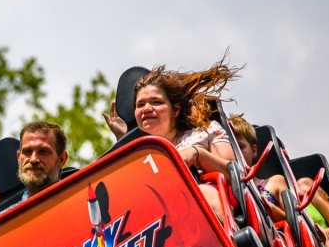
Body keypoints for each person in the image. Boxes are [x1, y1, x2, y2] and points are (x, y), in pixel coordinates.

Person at [103, 57, 241, 223]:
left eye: (156, 102)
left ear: (175, 110)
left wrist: (198, 154)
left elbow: (234, 176)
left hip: (205, 206)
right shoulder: (139, 156)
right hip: (159, 220)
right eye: (140, 105)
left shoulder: (205, 132)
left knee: (204, 193)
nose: (147, 109)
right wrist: (124, 140)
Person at [230, 115, 329, 241]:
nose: (235, 153)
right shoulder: (230, 191)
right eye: (230, 148)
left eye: (240, 147)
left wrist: (317, 234)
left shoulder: (293, 184)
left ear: (255, 151)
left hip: (319, 245)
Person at [15, 121, 69, 200]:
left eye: (43, 151)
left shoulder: (84, 206)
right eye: (27, 151)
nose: (33, 160)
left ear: (61, 159)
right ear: (18, 158)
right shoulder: (9, 212)